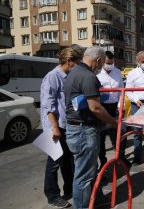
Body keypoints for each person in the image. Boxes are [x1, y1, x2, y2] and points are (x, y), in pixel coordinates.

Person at [64, 46, 118, 208]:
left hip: (77, 127)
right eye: (102, 64)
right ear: (99, 60)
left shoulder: (73, 72)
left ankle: (96, 199)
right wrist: (114, 122)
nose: (102, 67)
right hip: (83, 131)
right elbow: (95, 107)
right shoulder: (88, 76)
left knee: (90, 169)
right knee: (83, 176)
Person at [40, 47, 82, 208]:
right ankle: (52, 195)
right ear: (69, 62)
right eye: (76, 63)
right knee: (54, 162)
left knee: (67, 160)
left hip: (66, 124)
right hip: (54, 126)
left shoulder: (68, 76)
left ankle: (70, 188)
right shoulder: (52, 77)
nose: (77, 66)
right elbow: (48, 105)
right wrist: (55, 128)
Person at [97, 51, 130, 169]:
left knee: (120, 133)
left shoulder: (117, 72)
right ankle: (103, 161)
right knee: (100, 137)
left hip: (115, 107)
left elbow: (122, 89)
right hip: (102, 107)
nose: (109, 65)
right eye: (107, 63)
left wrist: (121, 105)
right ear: (102, 62)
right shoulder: (97, 72)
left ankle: (120, 157)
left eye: (111, 63)